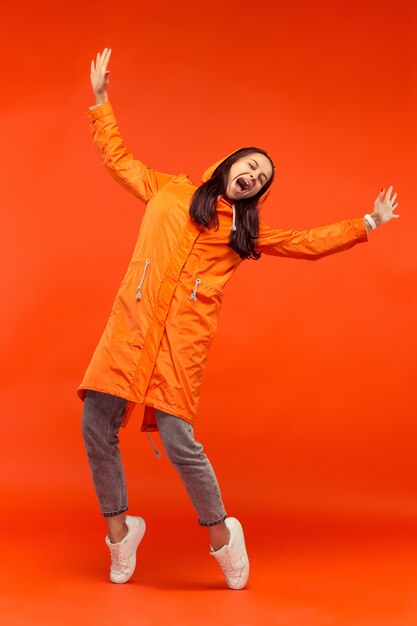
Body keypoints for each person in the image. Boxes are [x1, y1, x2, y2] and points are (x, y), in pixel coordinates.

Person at [79, 48, 399, 589]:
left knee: (181, 443)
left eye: (261, 177)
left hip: (180, 344)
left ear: (259, 192)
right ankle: (120, 532)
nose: (251, 176)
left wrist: (367, 221)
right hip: (130, 331)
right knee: (95, 426)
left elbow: (305, 243)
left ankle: (223, 538)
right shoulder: (170, 189)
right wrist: (102, 102)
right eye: (247, 166)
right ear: (227, 165)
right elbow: (120, 162)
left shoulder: (243, 233)